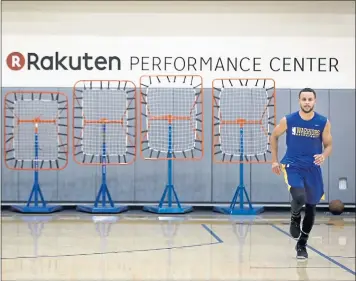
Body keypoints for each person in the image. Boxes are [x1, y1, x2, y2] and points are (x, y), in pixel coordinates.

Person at [270, 88, 332, 260]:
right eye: (304, 99)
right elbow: (274, 136)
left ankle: (302, 244)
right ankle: (295, 216)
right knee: (299, 196)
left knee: (312, 208)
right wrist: (275, 160)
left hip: (312, 168)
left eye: (310, 99)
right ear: (299, 101)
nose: (307, 102)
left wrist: (324, 155)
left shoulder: (323, 122)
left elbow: (328, 145)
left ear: (315, 101)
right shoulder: (288, 120)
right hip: (293, 165)